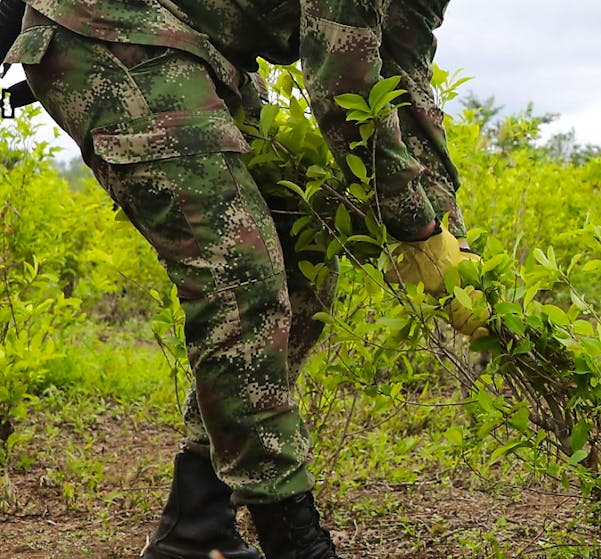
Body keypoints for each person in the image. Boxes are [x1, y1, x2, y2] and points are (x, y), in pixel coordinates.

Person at [2, 1, 483, 558]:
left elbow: (406, 87)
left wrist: (450, 237)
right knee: (238, 276)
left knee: (301, 246)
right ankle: (293, 540)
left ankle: (198, 522)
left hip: (194, 51)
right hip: (108, 29)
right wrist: (415, 227)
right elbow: (345, 86)